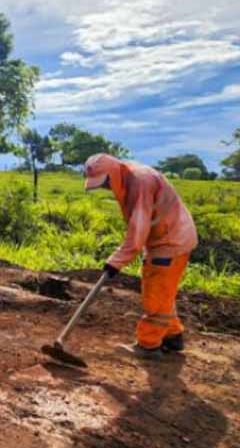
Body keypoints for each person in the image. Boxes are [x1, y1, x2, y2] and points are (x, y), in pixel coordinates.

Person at [83, 153, 198, 359]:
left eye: (105, 182)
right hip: (165, 238)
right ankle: (173, 336)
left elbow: (138, 230)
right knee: (162, 291)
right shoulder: (129, 177)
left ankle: (148, 345)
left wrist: (115, 262)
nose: (105, 187)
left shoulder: (140, 181)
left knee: (155, 293)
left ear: (113, 173)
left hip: (170, 241)